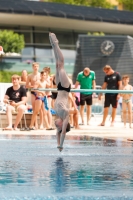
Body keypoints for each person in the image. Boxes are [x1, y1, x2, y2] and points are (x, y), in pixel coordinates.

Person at [49, 32, 78, 152]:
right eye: (58, 127)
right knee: (61, 65)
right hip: (65, 87)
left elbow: (57, 133)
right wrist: (61, 144)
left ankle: (53, 47)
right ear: (63, 126)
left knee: (57, 65)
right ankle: (56, 44)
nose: (56, 126)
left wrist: (57, 145)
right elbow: (62, 132)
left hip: (59, 87)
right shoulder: (66, 116)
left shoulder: (58, 116)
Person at [26, 62, 41, 129]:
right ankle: (35, 124)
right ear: (32, 67)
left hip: (40, 93)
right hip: (33, 93)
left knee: (41, 110)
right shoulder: (30, 76)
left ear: (39, 67)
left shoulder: (41, 75)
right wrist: (33, 86)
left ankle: (40, 125)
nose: (36, 68)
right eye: (35, 66)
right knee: (34, 109)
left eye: (37, 66)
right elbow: (26, 85)